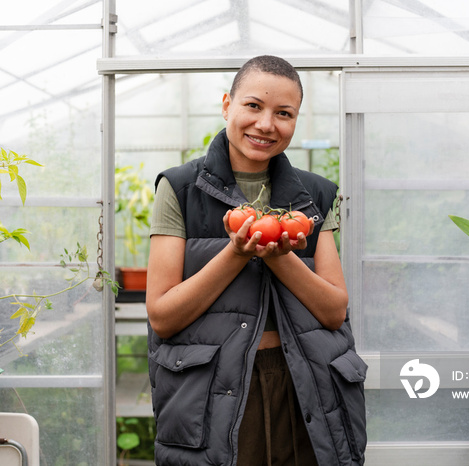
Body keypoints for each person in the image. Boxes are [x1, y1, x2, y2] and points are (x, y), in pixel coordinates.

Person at [146, 55, 367, 466]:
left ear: (295, 121)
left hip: (306, 384)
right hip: (216, 387)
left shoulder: (316, 196)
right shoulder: (178, 189)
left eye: (284, 113)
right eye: (253, 106)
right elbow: (162, 316)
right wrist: (235, 253)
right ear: (227, 104)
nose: (266, 124)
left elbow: (334, 311)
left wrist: (280, 258)